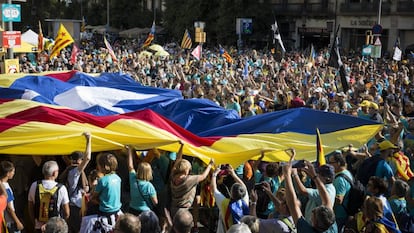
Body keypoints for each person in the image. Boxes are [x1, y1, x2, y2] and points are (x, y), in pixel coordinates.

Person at [283, 148, 338, 232]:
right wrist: (314, 176)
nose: (313, 210)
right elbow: (327, 201)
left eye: (314, 213)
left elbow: (292, 204)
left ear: (315, 222)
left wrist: (288, 174)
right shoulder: (331, 227)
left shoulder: (306, 230)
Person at [59, 132, 91, 233]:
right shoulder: (75, 172)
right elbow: (88, 158)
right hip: (75, 207)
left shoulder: (68, 169)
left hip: (71, 205)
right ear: (79, 161)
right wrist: (89, 139)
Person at [28, 160, 70, 233]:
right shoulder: (61, 188)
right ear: (54, 173)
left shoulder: (34, 185)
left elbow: (30, 207)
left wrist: (34, 223)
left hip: (39, 226)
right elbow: (67, 212)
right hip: (56, 228)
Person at [211, 165, 249, 233]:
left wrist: (214, 174)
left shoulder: (224, 203)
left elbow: (213, 189)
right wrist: (233, 174)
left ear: (231, 192)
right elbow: (244, 187)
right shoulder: (245, 201)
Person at [90, 152, 122, 232]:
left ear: (104, 167)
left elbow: (94, 196)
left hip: (105, 211)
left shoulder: (103, 180)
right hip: (117, 209)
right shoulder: (118, 178)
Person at [126, 145, 158, 215]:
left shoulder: (133, 179)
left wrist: (129, 150)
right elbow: (155, 203)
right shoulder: (149, 186)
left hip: (132, 210)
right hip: (145, 212)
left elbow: (130, 166)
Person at [329, 152, 353, 231]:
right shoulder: (347, 173)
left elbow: (339, 199)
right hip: (345, 212)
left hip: (339, 215)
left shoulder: (339, 179)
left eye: (331, 163)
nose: (329, 165)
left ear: (338, 163)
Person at [0, 161, 24, 232]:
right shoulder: (5, 187)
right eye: (13, 171)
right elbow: (9, 207)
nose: (14, 173)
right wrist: (18, 222)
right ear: (8, 173)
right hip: (10, 222)